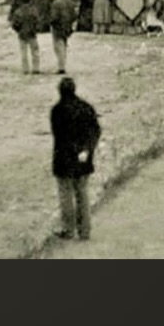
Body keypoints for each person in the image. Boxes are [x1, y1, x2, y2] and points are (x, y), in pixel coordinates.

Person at [50, 77, 101, 241]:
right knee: (83, 194)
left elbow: (58, 134)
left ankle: (68, 229)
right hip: (83, 158)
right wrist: (86, 149)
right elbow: (95, 131)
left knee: (66, 196)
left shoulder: (57, 110)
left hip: (64, 159)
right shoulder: (86, 108)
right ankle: (84, 230)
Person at [10, 0, 43, 74]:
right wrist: (36, 29)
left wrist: (18, 30)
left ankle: (25, 69)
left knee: (24, 53)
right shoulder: (33, 11)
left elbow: (14, 24)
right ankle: (36, 68)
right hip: (32, 34)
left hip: (22, 34)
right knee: (35, 52)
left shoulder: (18, 12)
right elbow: (38, 22)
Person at [49, 0, 77, 73]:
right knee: (64, 46)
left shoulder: (56, 3)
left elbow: (54, 16)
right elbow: (74, 15)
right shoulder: (69, 2)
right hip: (67, 26)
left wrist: (50, 22)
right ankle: (63, 64)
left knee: (58, 47)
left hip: (57, 27)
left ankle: (61, 67)